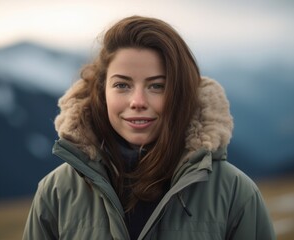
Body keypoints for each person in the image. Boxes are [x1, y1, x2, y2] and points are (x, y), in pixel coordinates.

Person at [23, 16, 275, 240]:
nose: (138, 102)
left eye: (156, 86)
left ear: (181, 94)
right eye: (122, 85)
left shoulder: (234, 194)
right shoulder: (56, 193)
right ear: (101, 92)